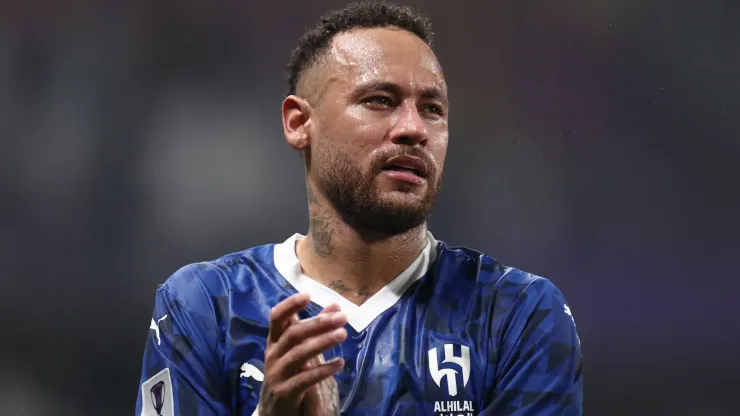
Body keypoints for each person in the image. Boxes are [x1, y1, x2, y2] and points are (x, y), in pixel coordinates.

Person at [135, 2, 583, 415]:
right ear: (299, 123)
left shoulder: (517, 316)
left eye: (432, 109)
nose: (413, 129)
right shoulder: (205, 308)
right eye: (380, 101)